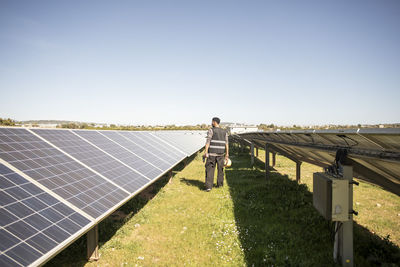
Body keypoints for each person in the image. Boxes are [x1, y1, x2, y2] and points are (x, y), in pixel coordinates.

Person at [203, 117, 229, 191]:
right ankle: (220, 185)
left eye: (212, 121)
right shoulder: (225, 132)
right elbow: (227, 144)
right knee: (220, 170)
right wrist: (227, 154)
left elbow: (208, 142)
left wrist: (206, 152)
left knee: (210, 170)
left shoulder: (211, 130)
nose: (211, 123)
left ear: (214, 122)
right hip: (221, 154)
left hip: (212, 154)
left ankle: (208, 187)